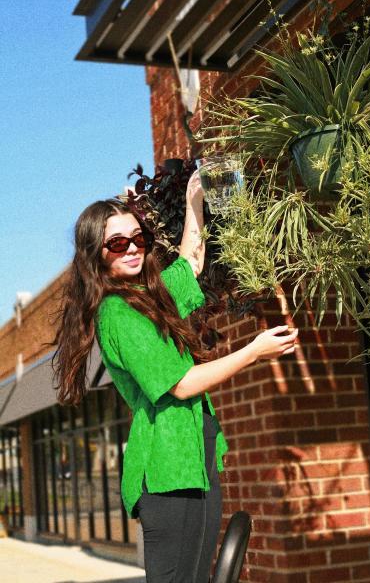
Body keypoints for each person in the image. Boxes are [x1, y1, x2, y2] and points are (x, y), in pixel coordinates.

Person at [53, 169, 298, 583]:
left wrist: (193, 200)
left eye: (138, 238)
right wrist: (254, 351)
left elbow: (192, 261)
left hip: (191, 464)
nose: (131, 248)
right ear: (97, 253)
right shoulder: (118, 312)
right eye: (117, 243)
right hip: (167, 474)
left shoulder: (147, 299)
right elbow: (181, 384)